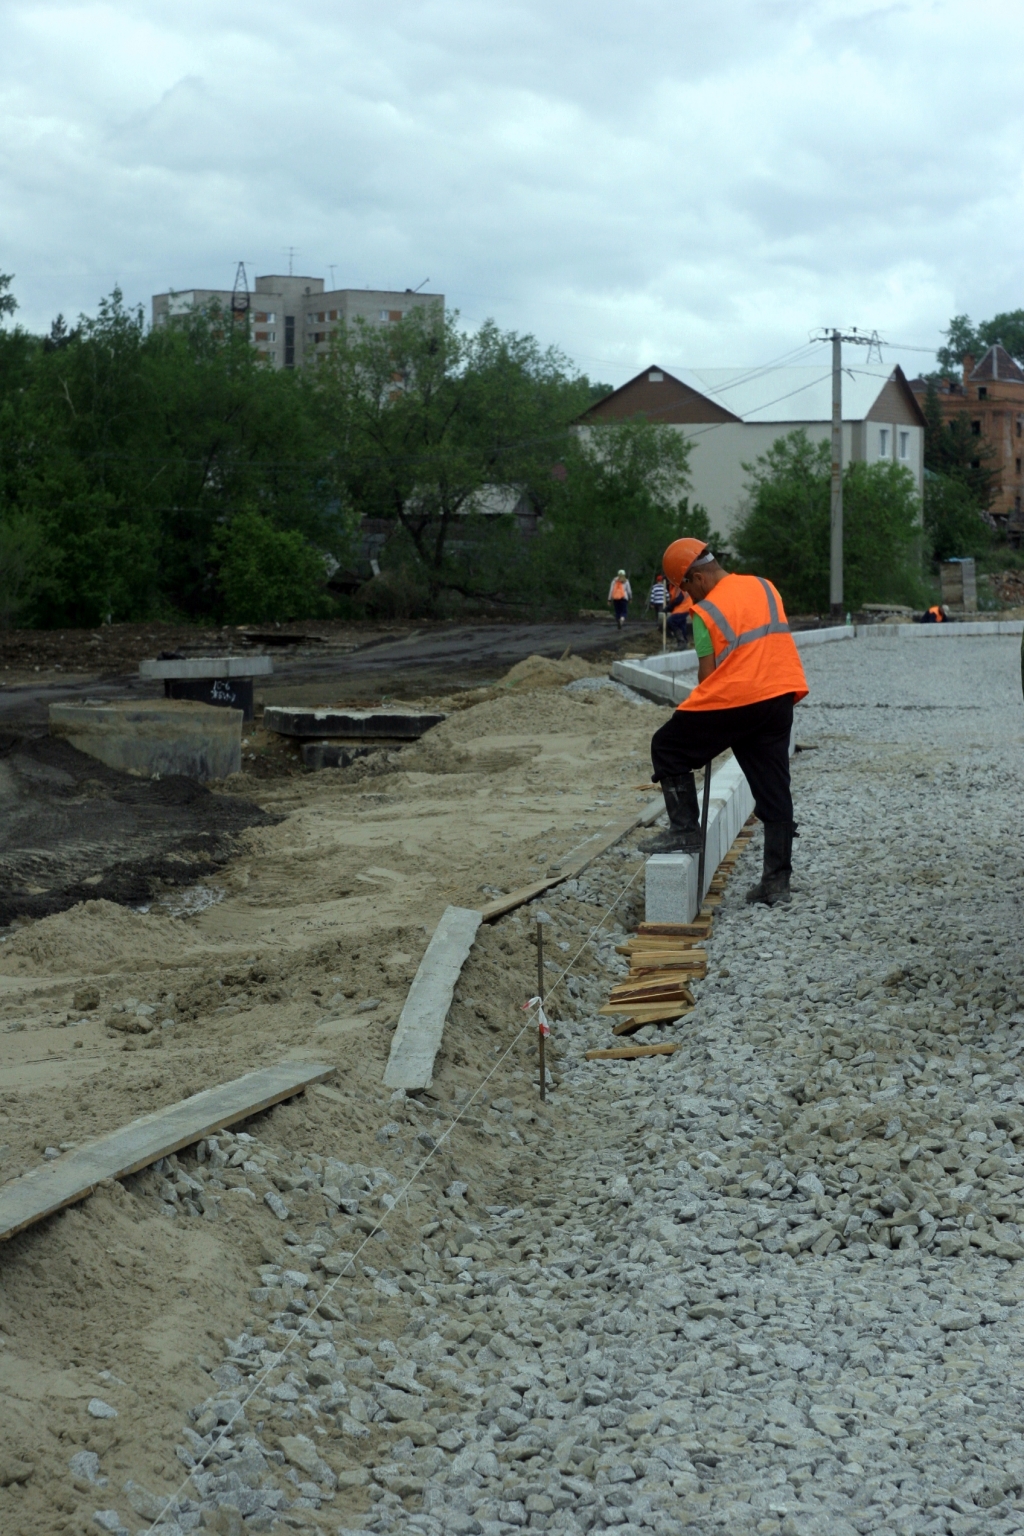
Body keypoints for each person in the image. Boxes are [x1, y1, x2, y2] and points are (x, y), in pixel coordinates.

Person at [642, 539, 808, 906]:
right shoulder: (764, 586)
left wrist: (699, 718)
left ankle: (685, 830)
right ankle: (776, 884)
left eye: (685, 587)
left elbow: (707, 678)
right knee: (773, 788)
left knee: (667, 746)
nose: (687, 595)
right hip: (780, 695)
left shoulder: (706, 612)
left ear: (697, 577)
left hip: (738, 699)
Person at [665, 583, 693, 647]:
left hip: (684, 607)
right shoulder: (672, 586)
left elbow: (679, 598)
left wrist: (669, 607)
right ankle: (684, 642)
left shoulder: (678, 584)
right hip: (683, 607)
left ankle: (681, 640)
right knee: (681, 624)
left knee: (671, 621)